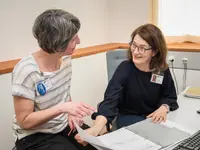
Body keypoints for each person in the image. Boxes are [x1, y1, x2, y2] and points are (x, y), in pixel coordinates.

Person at [75, 23, 179, 145]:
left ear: (154, 51)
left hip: (153, 119)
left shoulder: (161, 70)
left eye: (142, 48)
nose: (135, 51)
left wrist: (163, 108)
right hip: (129, 116)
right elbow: (110, 100)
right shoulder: (125, 68)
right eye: (133, 45)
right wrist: (96, 128)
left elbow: (170, 95)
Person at [12, 9, 97, 150]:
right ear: (58, 42)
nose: (79, 41)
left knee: (97, 144)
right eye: (73, 38)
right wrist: (62, 109)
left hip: (62, 125)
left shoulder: (65, 60)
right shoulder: (26, 70)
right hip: (34, 135)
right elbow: (24, 121)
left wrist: (71, 113)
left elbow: (63, 94)